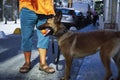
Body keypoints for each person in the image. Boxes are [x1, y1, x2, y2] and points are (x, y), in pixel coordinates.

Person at [19, 0, 55, 73]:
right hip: (27, 7)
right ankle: (27, 62)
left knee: (44, 36)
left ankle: (43, 63)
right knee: (26, 37)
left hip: (45, 10)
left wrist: (52, 8)